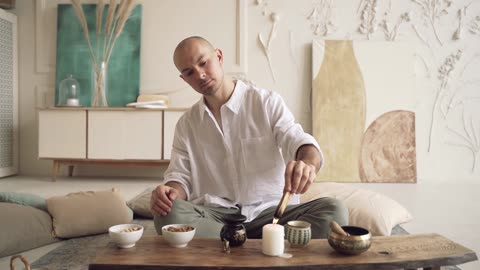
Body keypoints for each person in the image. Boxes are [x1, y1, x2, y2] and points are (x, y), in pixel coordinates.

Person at [150, 36, 348, 239]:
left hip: (272, 214)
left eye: (203, 62)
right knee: (168, 214)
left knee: (334, 211)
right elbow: (179, 178)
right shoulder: (186, 124)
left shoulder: (266, 102)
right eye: (189, 72)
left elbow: (298, 141)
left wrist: (308, 164)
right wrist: (169, 194)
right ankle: (256, 242)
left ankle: (235, 243)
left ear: (219, 56)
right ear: (184, 79)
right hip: (217, 217)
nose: (200, 74)